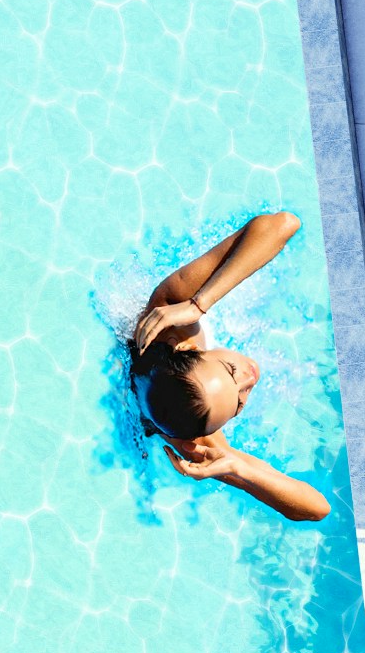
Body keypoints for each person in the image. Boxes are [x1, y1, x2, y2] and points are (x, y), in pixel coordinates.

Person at [128, 213, 333, 523]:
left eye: (230, 370)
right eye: (239, 403)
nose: (250, 378)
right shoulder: (194, 438)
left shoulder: (168, 310)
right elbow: (317, 508)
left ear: (188, 348)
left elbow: (282, 224)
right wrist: (236, 467)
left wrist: (197, 303)